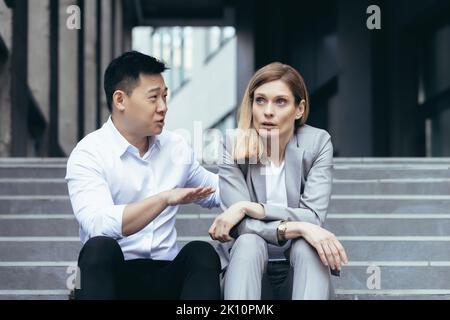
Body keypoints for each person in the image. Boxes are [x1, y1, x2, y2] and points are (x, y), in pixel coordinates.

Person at [65, 51, 221, 300]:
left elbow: (216, 190)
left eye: (165, 96)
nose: (163, 107)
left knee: (201, 254)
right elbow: (98, 224)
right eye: (153, 98)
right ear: (120, 100)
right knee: (98, 249)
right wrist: (163, 199)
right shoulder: (89, 153)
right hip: (113, 279)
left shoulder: (176, 147)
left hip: (166, 278)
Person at [209, 62, 348, 300]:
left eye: (280, 101)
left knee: (307, 246)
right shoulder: (232, 144)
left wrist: (251, 208)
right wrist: (297, 227)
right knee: (249, 242)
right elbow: (239, 227)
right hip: (248, 272)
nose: (268, 111)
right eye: (260, 100)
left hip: (300, 274)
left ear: (299, 109)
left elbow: (313, 216)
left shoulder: (317, 143)